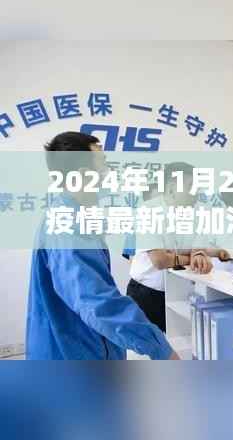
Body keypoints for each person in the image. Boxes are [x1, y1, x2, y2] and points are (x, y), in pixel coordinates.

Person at [26, 131, 178, 360]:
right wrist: (160, 348)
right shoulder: (67, 227)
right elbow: (97, 302)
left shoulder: (74, 216)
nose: (110, 174)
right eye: (104, 165)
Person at [128, 162, 229, 331]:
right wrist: (191, 258)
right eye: (190, 186)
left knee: (181, 341)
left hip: (179, 291)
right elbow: (160, 261)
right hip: (146, 294)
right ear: (171, 189)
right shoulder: (149, 211)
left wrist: (199, 255)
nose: (196, 192)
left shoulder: (197, 212)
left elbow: (198, 249)